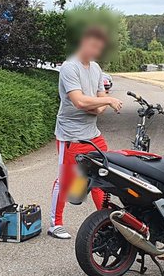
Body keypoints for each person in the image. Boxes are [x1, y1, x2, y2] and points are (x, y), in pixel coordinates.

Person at [47, 26, 124, 240]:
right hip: (70, 134)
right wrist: (104, 100)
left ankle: (107, 220)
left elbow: (96, 108)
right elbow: (80, 101)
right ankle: (56, 224)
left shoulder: (96, 68)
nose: (97, 52)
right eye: (94, 46)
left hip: (92, 132)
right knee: (66, 178)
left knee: (103, 174)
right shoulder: (69, 68)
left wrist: (93, 103)